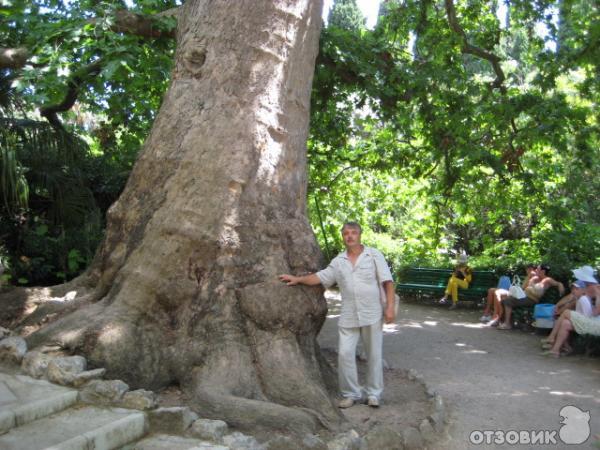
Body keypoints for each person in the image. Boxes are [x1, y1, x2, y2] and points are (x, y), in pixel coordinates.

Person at [278, 222, 395, 408]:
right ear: (343, 237)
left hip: (372, 312)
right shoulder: (339, 261)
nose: (350, 236)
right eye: (346, 233)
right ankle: (351, 394)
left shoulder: (373, 255)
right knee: (345, 354)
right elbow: (320, 277)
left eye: (353, 233)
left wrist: (389, 307)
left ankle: (374, 394)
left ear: (360, 235)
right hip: (349, 315)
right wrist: (298, 279)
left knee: (374, 355)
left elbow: (388, 282)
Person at [543, 277, 599, 358]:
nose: (573, 291)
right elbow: (579, 313)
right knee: (565, 323)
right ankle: (556, 350)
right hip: (584, 323)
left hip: (589, 324)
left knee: (566, 312)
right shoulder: (579, 298)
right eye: (573, 289)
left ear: (583, 290)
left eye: (576, 289)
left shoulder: (583, 299)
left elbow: (587, 317)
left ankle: (552, 337)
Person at [498, 264, 565, 330]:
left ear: (543, 271)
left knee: (508, 301)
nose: (535, 270)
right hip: (524, 296)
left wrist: (561, 286)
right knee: (504, 298)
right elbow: (523, 288)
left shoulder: (547, 280)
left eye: (537, 269)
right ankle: (506, 321)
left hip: (532, 299)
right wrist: (529, 276)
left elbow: (558, 283)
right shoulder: (535, 278)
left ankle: (507, 324)